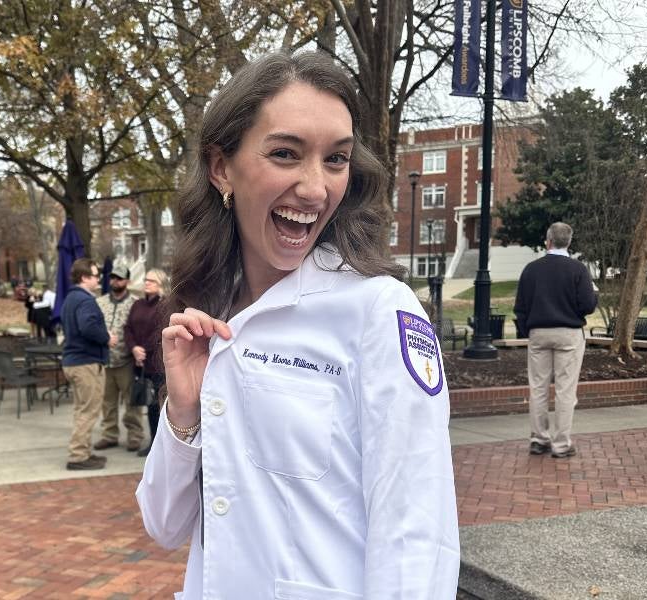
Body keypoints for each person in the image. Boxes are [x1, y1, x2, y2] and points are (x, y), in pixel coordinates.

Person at [135, 52, 460, 599]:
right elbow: (163, 525)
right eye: (286, 154)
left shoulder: (380, 310)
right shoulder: (207, 310)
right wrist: (184, 414)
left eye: (336, 159)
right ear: (221, 168)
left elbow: (416, 533)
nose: (315, 188)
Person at [514, 222, 598, 459]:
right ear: (568, 242)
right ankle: (561, 444)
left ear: (548, 241)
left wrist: (528, 330)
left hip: (538, 331)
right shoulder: (578, 269)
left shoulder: (531, 269)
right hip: (569, 333)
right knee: (565, 390)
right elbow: (588, 305)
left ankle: (539, 439)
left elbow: (520, 306)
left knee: (538, 388)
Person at [61, 258, 113, 470]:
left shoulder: (70, 298)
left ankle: (84, 451)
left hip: (73, 361)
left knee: (81, 410)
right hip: (86, 363)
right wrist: (107, 338)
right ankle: (78, 456)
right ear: (84, 277)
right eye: (95, 276)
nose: (98, 279)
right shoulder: (85, 301)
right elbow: (88, 327)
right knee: (88, 411)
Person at [93, 266, 143, 452]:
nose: (115, 281)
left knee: (132, 402)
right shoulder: (100, 302)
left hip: (126, 360)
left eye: (119, 278)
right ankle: (109, 434)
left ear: (127, 281)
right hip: (105, 361)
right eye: (113, 278)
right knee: (107, 402)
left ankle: (135, 435)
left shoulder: (135, 303)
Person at [125, 269, 168, 457]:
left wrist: (144, 350)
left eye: (152, 281)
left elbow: (162, 331)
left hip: (157, 363)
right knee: (149, 405)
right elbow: (128, 328)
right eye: (146, 280)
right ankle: (153, 442)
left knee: (159, 405)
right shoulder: (138, 304)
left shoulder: (165, 305)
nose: (147, 283)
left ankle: (162, 446)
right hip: (141, 363)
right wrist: (134, 348)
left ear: (161, 284)